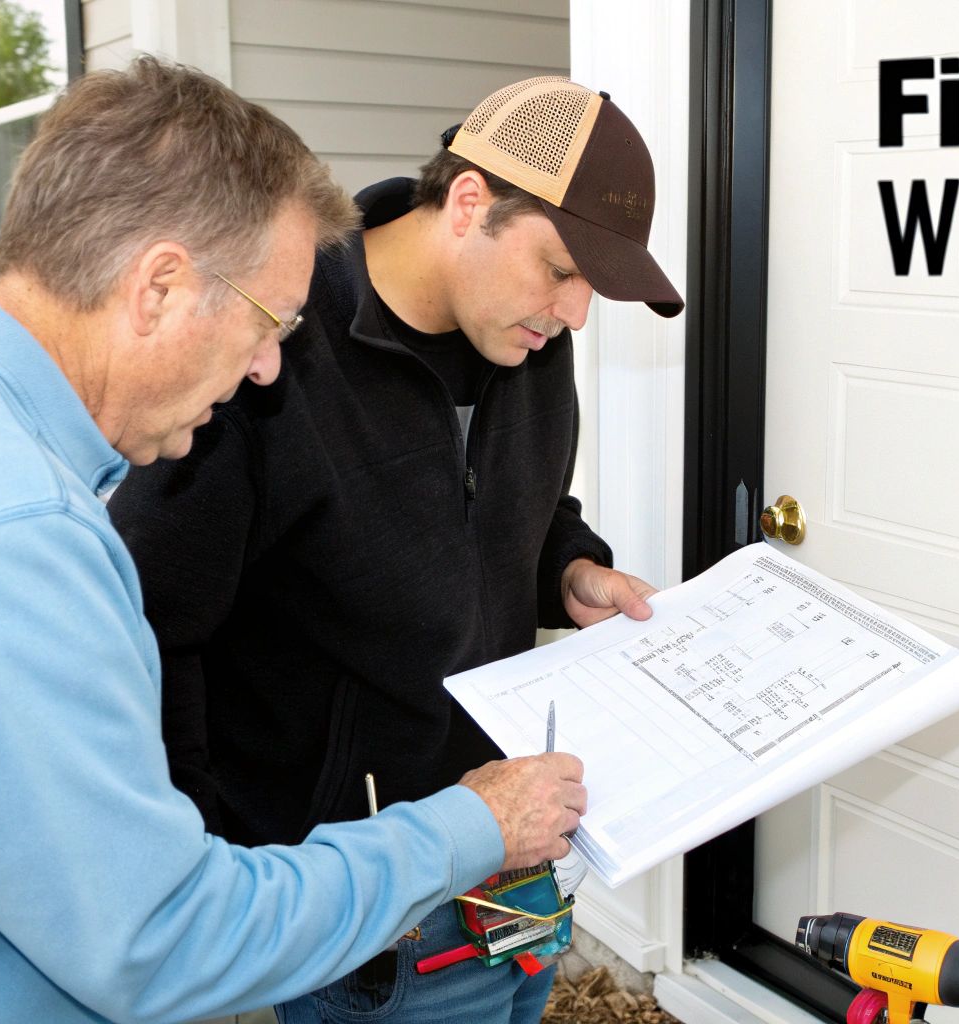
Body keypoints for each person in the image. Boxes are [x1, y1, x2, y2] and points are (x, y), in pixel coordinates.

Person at [0, 58, 586, 1024]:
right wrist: (473, 825)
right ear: (158, 287)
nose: (271, 369)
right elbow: (160, 939)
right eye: (268, 323)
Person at [108, 77, 684, 1024]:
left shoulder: (524, 337)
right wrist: (218, 859)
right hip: (362, 905)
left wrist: (569, 567)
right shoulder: (273, 345)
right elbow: (151, 623)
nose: (575, 313)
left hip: (513, 853)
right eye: (561, 269)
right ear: (470, 204)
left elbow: (519, 503)